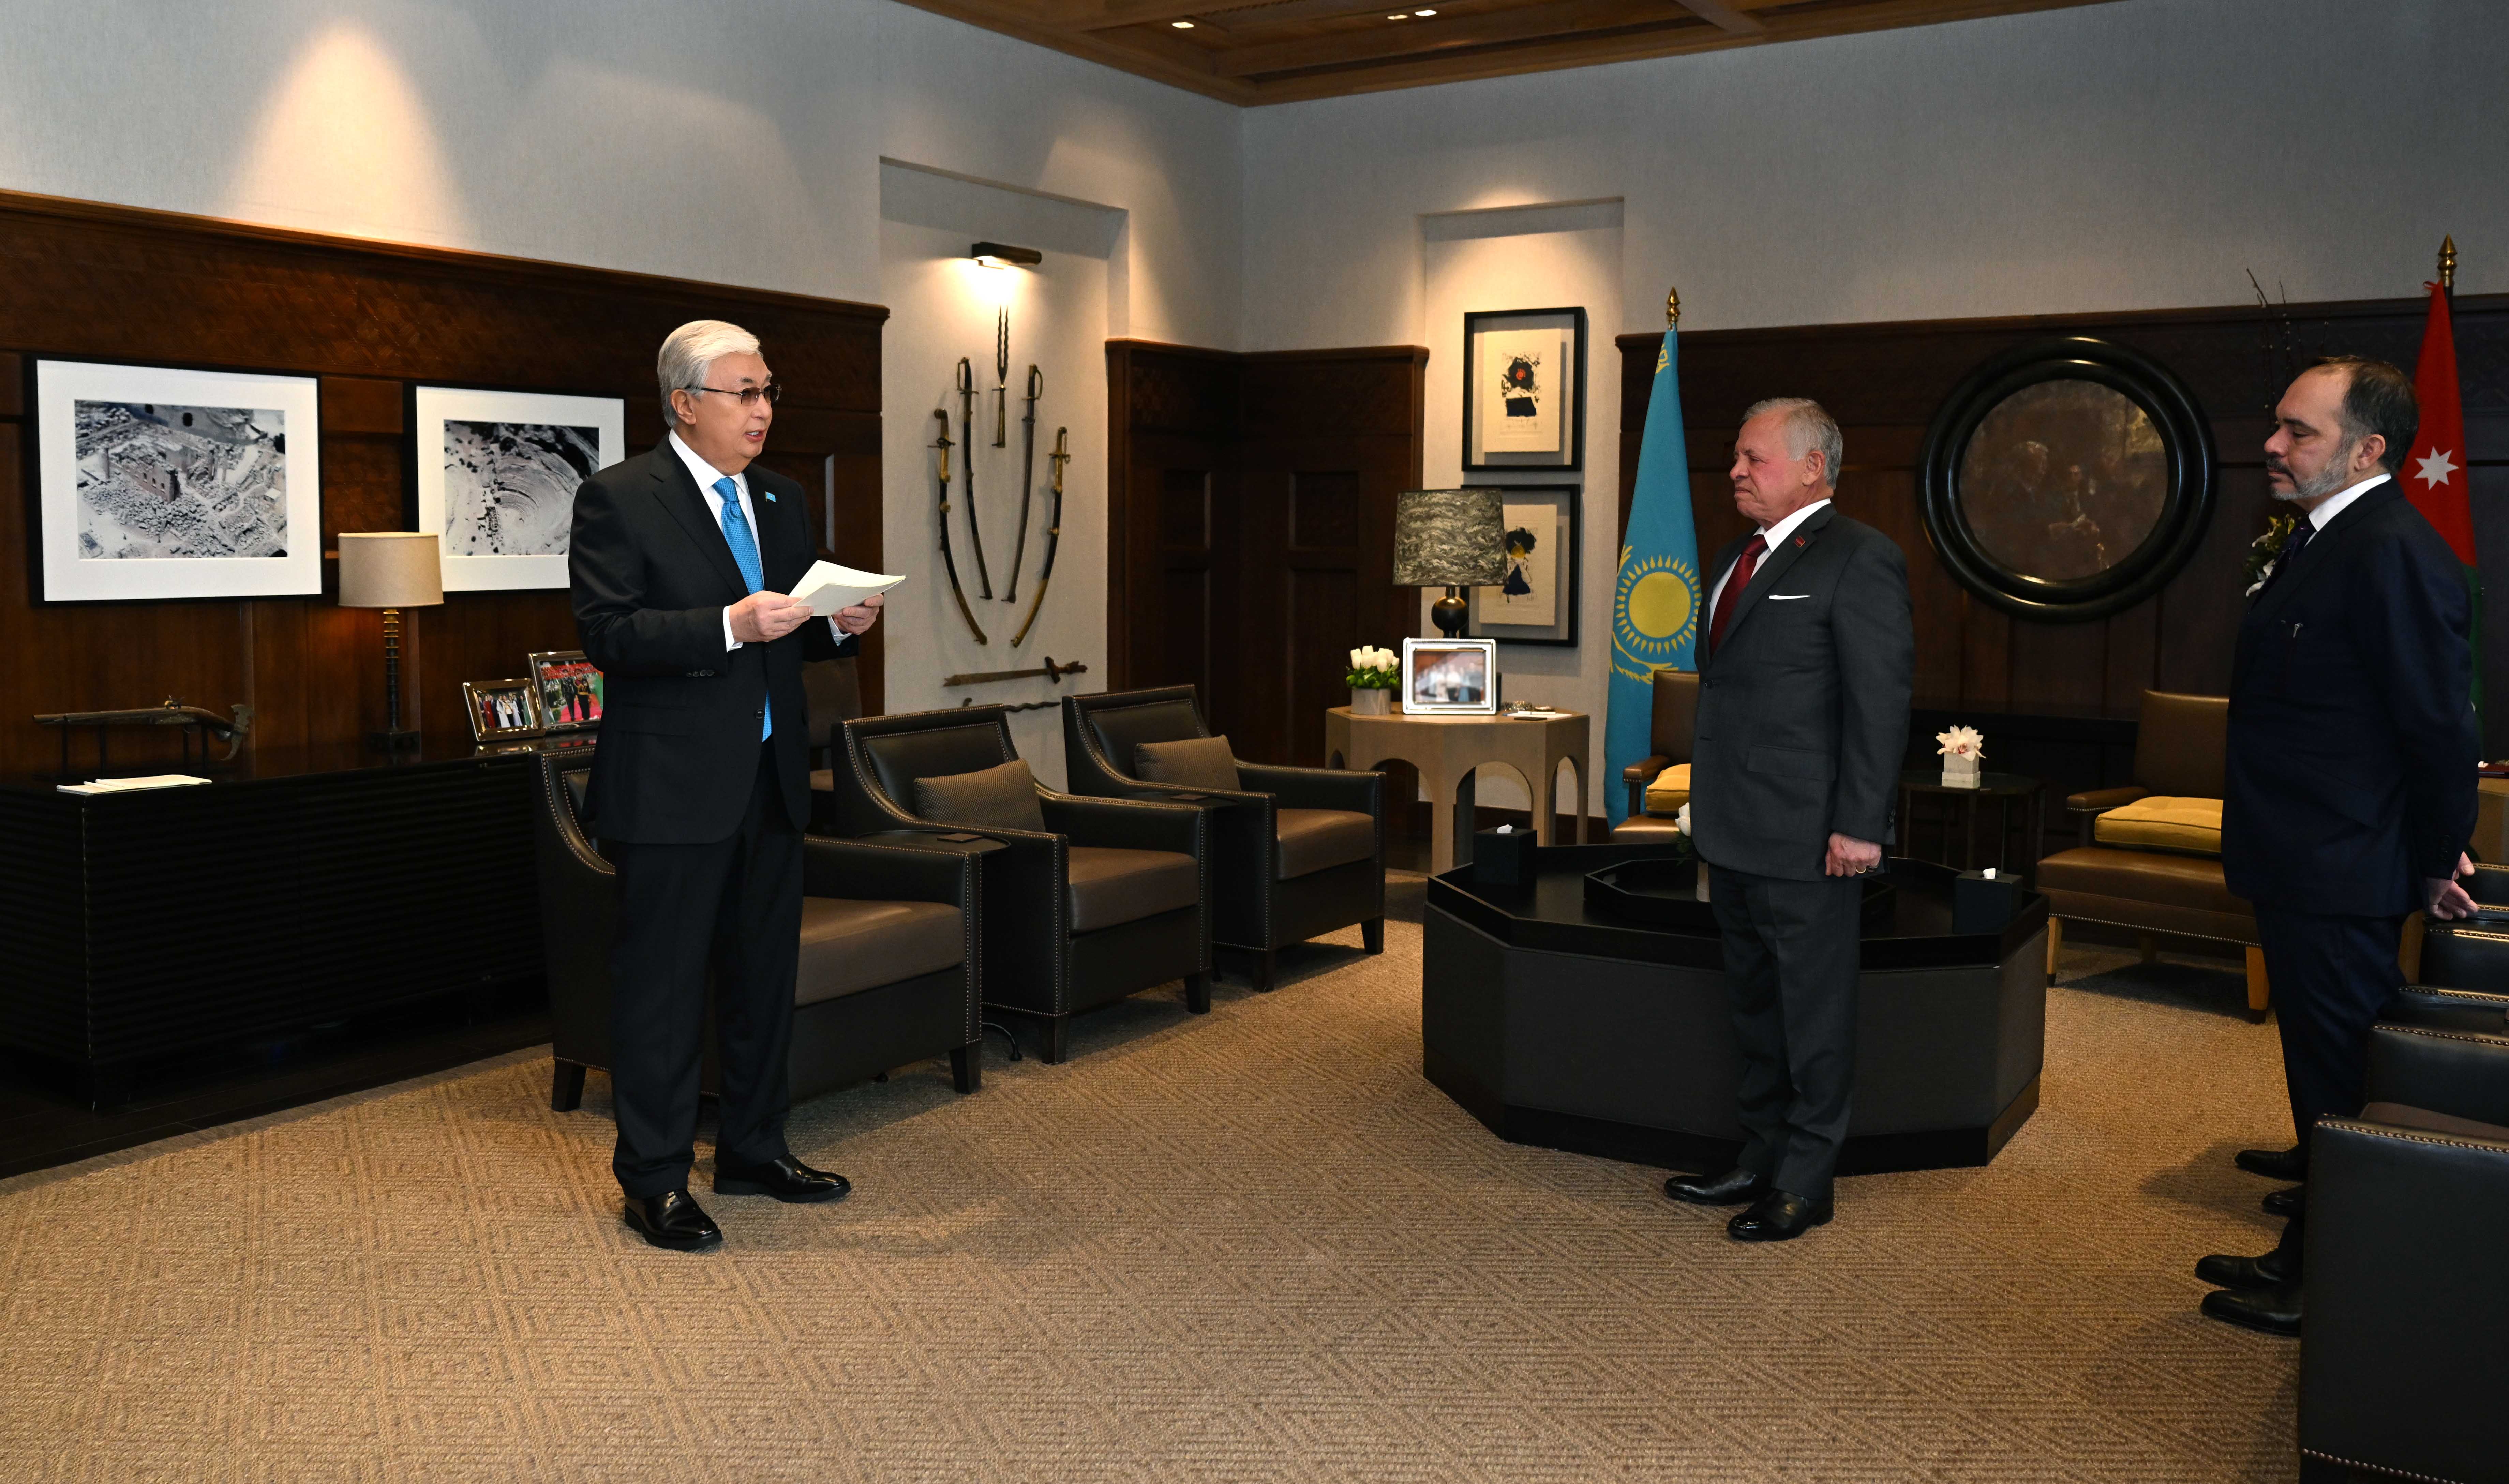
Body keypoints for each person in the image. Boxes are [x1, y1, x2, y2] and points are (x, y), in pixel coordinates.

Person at [569, 319, 886, 1252]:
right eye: (744, 392)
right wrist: (726, 625)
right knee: (664, 992)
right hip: (671, 785)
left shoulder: (781, 498)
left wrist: (836, 623)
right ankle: (656, 1179)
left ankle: (753, 1148)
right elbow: (609, 634)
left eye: (767, 390)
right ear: (685, 403)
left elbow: (787, 627)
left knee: (761, 978)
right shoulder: (619, 496)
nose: (762, 409)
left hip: (771, 776)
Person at [2200, 356, 2478, 1335]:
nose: (2272, 445)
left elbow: (2436, 726)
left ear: (2367, 450)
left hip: (2339, 862)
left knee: (2343, 1078)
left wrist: (2439, 855)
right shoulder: (2330, 536)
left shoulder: (2390, 549)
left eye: (2299, 431)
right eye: (2277, 424)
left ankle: (2328, 1280)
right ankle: (2313, 1224)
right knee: (2319, 1070)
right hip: (2304, 853)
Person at [1665, 398, 1914, 1241]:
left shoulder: (1859, 557)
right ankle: (1759, 1153)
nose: (1735, 470)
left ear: (1812, 467)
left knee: (1812, 1016)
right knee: (1754, 1009)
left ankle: (1806, 1181)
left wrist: (1860, 825)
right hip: (1731, 828)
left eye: (1754, 458)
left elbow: (1878, 703)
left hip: (1811, 836)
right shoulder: (1735, 555)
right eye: (1735, 457)